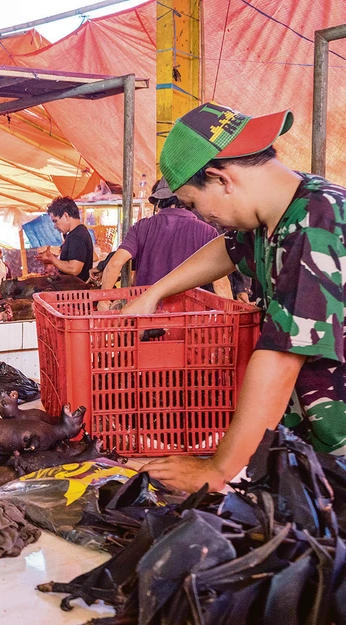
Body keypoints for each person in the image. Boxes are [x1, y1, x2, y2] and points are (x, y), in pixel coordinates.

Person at [123, 102, 346, 493]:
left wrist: (217, 470)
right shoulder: (278, 210)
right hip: (312, 436)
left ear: (220, 178)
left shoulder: (316, 225)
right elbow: (228, 249)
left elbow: (280, 358)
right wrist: (155, 293)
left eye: (193, 204)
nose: (200, 217)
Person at [98, 178, 227, 303]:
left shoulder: (141, 227)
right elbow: (220, 284)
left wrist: (103, 301)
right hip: (188, 313)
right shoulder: (207, 231)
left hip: (146, 310)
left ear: (158, 201)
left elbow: (115, 263)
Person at [39, 196, 93, 281]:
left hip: (75, 288)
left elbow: (74, 269)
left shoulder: (77, 235)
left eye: (55, 221)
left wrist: (51, 258)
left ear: (66, 216)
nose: (55, 226)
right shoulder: (77, 232)